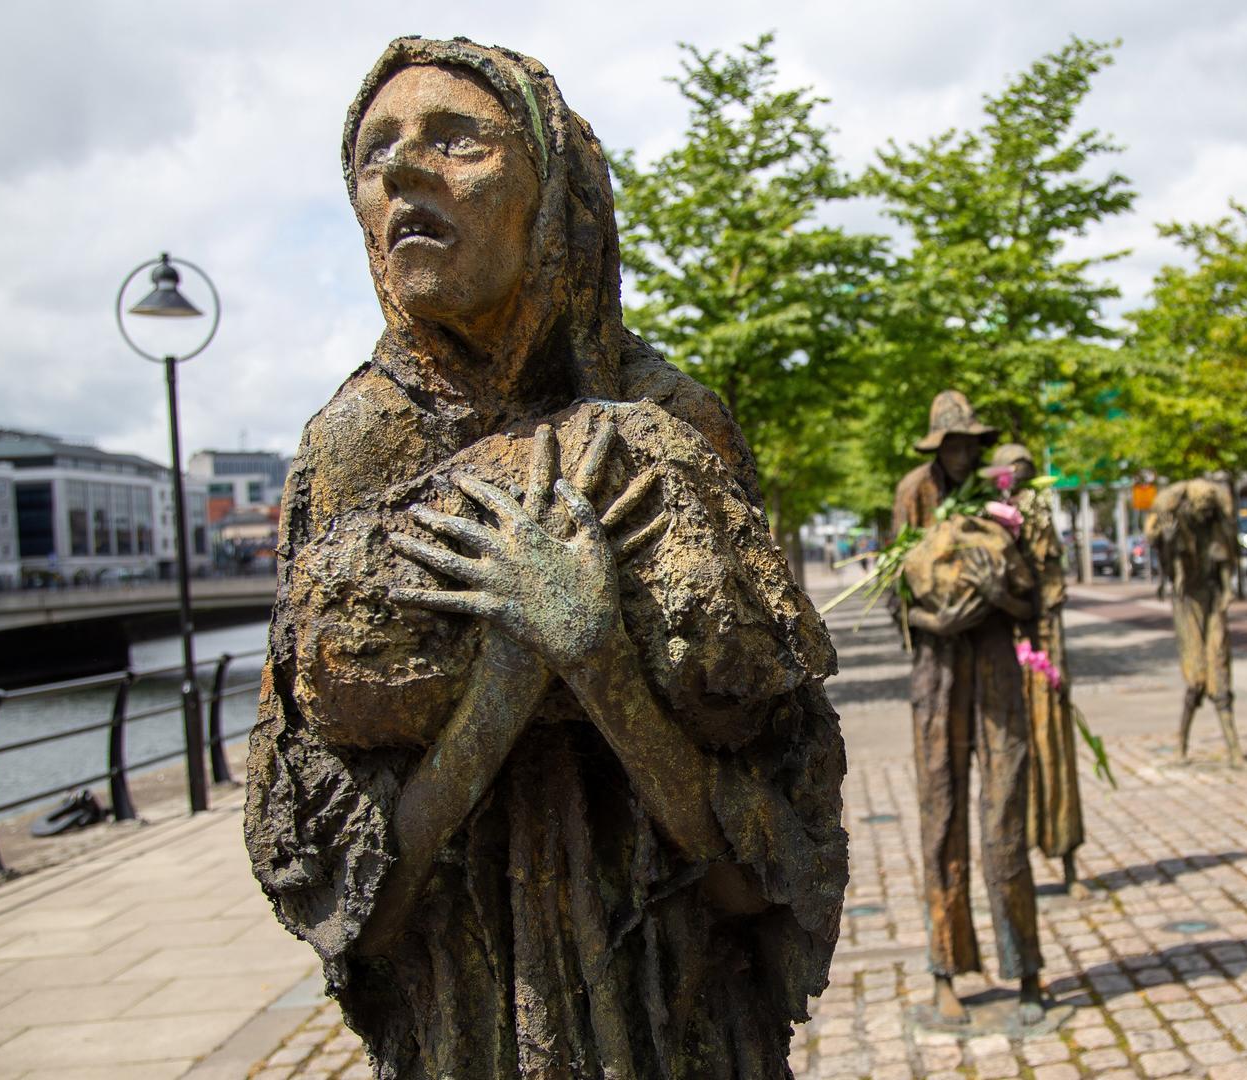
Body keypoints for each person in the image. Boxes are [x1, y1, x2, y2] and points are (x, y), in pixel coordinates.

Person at [244, 39, 847, 1079]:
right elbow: (361, 911)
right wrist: (506, 683)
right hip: (468, 1024)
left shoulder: (671, 423)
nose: (401, 170)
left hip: (679, 1004)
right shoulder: (350, 448)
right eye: (375, 149)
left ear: (553, 189)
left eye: (456, 138)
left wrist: (599, 662)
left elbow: (760, 869)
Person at [893, 391, 1045, 1027]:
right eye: (950, 444)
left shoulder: (998, 502)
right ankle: (944, 971)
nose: (960, 454)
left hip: (998, 677)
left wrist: (998, 597)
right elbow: (896, 593)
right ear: (936, 446)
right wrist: (937, 615)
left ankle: (1027, 968)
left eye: (968, 444)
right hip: (937, 677)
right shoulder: (913, 493)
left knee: (1005, 815)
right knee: (941, 817)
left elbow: (1032, 600)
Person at [990, 443, 1089, 899]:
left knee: (1055, 750)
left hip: (1043, 648)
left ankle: (1067, 858)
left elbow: (1053, 588)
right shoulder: (990, 520)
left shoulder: (1040, 517)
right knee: (1011, 757)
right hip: (1005, 649)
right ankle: (1017, 865)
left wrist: (1052, 654)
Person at [1146, 478, 1247, 768]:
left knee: (1219, 671)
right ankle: (1181, 744)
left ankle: (1235, 751)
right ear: (1190, 506)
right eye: (1200, 507)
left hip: (1213, 601)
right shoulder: (1177, 528)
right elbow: (1168, 565)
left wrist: (1227, 593)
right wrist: (1167, 544)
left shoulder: (1216, 529)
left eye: (1209, 507)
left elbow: (1224, 563)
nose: (1205, 512)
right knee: (1195, 678)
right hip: (1187, 603)